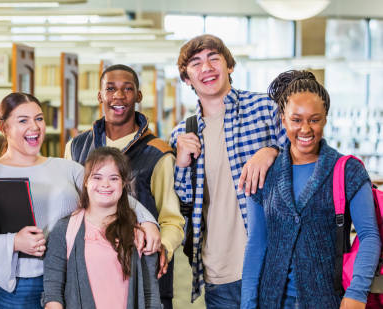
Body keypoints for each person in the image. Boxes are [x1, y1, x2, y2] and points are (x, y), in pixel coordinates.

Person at [0, 92, 160, 309]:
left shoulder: (66, 167)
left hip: (66, 278)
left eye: (39, 118)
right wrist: (13, 242)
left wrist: (148, 222)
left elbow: (108, 191)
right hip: (14, 287)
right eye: (23, 120)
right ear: (3, 127)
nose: (34, 127)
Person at [241, 70, 381, 309]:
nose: (305, 129)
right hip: (272, 300)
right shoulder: (265, 173)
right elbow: (257, 243)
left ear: (325, 119)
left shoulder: (348, 171)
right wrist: (247, 303)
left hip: (329, 299)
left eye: (314, 119)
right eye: (296, 120)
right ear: (283, 119)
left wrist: (357, 291)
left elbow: (369, 236)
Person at [169, 34, 286, 307]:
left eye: (214, 58)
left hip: (271, 263)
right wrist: (181, 165)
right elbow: (183, 203)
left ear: (229, 66)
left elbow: (307, 160)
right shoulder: (182, 134)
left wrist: (273, 152)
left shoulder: (266, 109)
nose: (206, 68)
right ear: (187, 78)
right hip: (218, 270)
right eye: (196, 63)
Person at [65, 64, 184, 308]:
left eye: (127, 89)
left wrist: (163, 246)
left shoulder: (159, 154)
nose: (118, 96)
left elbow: (172, 220)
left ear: (139, 96)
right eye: (110, 89)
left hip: (140, 273)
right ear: (99, 95)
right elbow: (70, 210)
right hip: (89, 274)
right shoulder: (75, 148)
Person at [43, 147, 161, 309]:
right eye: (97, 177)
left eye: (113, 178)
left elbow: (151, 295)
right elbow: (53, 291)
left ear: (123, 183)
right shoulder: (64, 229)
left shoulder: (140, 234)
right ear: (86, 181)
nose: (105, 184)